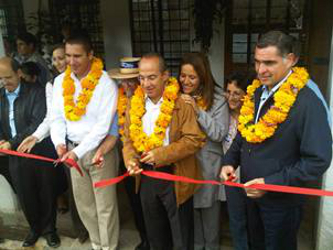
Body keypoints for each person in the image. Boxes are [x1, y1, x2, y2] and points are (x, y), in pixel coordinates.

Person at [220, 30, 332, 250]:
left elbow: (318, 160)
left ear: (291, 60)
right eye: (257, 62)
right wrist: (229, 162)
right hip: (251, 194)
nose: (261, 70)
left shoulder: (307, 102)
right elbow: (244, 134)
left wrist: (271, 183)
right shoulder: (256, 93)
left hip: (282, 204)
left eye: (269, 63)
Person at [123, 53, 205, 250]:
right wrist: (130, 161)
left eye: (152, 77)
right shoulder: (134, 104)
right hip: (146, 176)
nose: (146, 83)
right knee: (155, 234)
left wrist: (161, 154)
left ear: (165, 76)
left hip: (175, 175)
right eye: (141, 78)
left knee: (181, 236)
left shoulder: (181, 104)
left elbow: (194, 139)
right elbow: (127, 140)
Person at [50, 32, 119, 250]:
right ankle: (97, 245)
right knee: (84, 205)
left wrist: (77, 153)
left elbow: (102, 127)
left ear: (90, 55)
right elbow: (56, 117)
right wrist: (59, 143)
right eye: (68, 55)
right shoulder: (61, 82)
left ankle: (109, 247)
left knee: (105, 205)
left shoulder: (106, 83)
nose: (71, 61)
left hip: (100, 151)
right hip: (71, 150)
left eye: (77, 56)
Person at [17, 43, 90, 243]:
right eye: (56, 58)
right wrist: (37, 136)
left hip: (89, 142)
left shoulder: (90, 79)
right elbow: (52, 117)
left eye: (62, 57)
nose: (60, 62)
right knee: (75, 191)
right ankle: (82, 231)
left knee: (93, 195)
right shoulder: (55, 84)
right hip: (64, 143)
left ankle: (98, 232)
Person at [0, 57, 61, 248]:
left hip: (38, 152)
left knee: (46, 192)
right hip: (15, 156)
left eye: (8, 77)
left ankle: (50, 230)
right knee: (26, 195)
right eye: (1, 79)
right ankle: (34, 229)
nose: (5, 82)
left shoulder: (36, 92)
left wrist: (12, 142)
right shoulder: (0, 96)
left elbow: (36, 123)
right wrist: (2, 140)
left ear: (19, 73)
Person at [93, 58, 150, 250]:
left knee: (149, 204)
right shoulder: (118, 97)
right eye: (124, 81)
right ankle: (144, 238)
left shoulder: (149, 98)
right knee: (134, 200)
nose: (128, 85)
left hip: (148, 158)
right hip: (126, 159)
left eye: (133, 80)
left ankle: (155, 240)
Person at [178, 52, 228, 250]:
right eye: (183, 75)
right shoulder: (177, 96)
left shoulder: (218, 99)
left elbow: (218, 133)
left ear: (203, 76)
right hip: (185, 164)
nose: (186, 81)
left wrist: (198, 111)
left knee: (209, 216)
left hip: (208, 165)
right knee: (192, 216)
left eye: (192, 77)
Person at [222, 72, 252, 250]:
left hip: (252, 176)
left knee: (253, 219)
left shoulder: (254, 117)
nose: (231, 97)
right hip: (231, 176)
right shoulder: (223, 114)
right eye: (228, 92)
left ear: (246, 95)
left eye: (236, 93)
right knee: (236, 220)